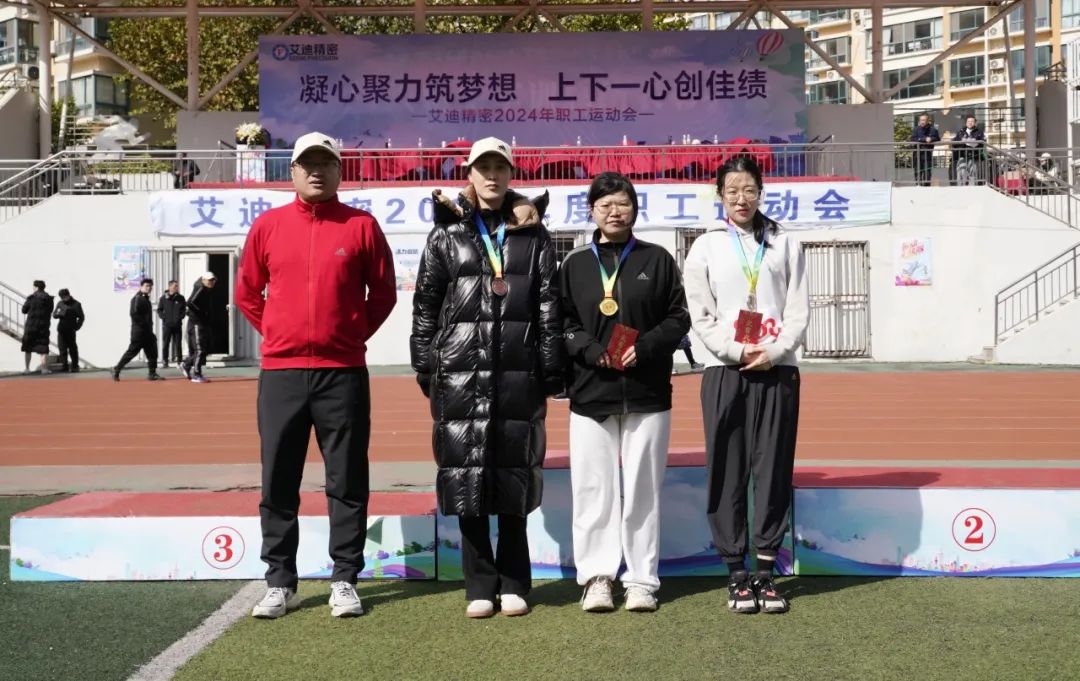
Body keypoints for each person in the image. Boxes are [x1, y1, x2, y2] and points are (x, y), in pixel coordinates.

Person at [236, 131, 397, 619]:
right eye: (307, 163)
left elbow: (383, 294)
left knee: (346, 479)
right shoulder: (267, 226)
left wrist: (348, 335)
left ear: (338, 170)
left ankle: (344, 578)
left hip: (342, 373)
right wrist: (279, 335)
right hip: (281, 374)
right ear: (292, 171)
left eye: (325, 162)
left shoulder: (362, 226)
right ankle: (279, 581)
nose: (316, 171)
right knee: (278, 479)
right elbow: (247, 293)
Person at [411, 137, 563, 619]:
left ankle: (515, 581)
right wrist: (426, 363)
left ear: (511, 173)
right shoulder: (445, 234)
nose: (492, 175)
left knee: (515, 473)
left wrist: (549, 366)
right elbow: (426, 304)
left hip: (520, 371)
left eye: (500, 167)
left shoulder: (534, 235)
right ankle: (479, 585)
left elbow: (548, 305)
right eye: (483, 168)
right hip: (459, 371)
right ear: (470, 174)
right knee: (466, 476)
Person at [683, 155, 809, 615]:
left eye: (749, 189)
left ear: (761, 192)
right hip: (725, 371)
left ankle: (766, 571)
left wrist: (774, 351)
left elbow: (798, 308)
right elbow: (701, 314)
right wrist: (736, 352)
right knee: (727, 468)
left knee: (773, 467)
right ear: (720, 194)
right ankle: (736, 572)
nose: (741, 198)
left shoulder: (784, 243)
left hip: (777, 369)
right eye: (732, 190)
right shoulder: (706, 247)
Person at [559, 172, 689, 613]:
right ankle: (597, 577)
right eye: (605, 205)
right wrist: (590, 349)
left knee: (642, 490)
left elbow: (678, 317)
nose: (615, 212)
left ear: (635, 208)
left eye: (623, 204)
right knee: (592, 489)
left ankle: (641, 580)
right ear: (592, 211)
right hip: (591, 393)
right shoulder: (574, 264)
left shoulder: (658, 258)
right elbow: (561, 323)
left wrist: (647, 347)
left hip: (647, 392)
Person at [113, 278, 165, 381]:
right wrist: (144, 325)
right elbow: (134, 314)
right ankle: (117, 369)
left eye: (150, 286)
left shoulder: (146, 299)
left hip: (147, 332)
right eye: (146, 286)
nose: (149, 288)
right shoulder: (137, 298)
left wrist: (149, 329)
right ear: (141, 287)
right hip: (139, 332)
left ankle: (152, 373)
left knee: (153, 351)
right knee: (132, 352)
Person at [180, 272, 216, 383]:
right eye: (209, 280)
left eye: (213, 280)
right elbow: (190, 302)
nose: (211, 282)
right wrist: (201, 313)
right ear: (203, 280)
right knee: (200, 350)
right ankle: (196, 374)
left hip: (203, 323)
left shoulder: (207, 290)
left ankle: (187, 365)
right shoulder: (200, 288)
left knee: (205, 349)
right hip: (196, 323)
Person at [21, 280, 53, 375]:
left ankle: (27, 368)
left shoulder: (31, 298)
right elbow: (50, 310)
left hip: (31, 327)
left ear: (36, 287)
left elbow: (24, 310)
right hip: (43, 326)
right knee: (43, 348)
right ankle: (44, 369)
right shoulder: (49, 298)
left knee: (28, 348)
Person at [52, 288, 85, 372]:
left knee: (72, 349)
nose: (64, 299)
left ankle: (75, 366)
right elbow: (54, 314)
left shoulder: (76, 304)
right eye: (62, 298)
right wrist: (59, 314)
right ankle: (64, 366)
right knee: (62, 348)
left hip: (71, 330)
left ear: (69, 295)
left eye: (65, 297)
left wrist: (77, 327)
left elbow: (81, 317)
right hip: (61, 329)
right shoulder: (60, 303)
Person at [157, 280, 186, 369]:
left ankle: (179, 361)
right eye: (174, 286)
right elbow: (159, 310)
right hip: (167, 325)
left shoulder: (181, 298)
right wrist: (164, 318)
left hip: (177, 325)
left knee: (178, 344)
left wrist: (180, 317)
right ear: (169, 287)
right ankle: (165, 361)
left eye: (177, 286)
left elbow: (184, 309)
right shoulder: (163, 298)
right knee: (166, 343)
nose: (176, 288)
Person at [951, 115, 985, 186]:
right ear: (966, 123)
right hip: (962, 155)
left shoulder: (979, 132)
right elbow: (954, 142)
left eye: (972, 121)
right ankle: (961, 188)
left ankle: (972, 188)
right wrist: (961, 141)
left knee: (973, 172)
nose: (970, 123)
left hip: (974, 156)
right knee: (961, 171)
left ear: (975, 123)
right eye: (968, 121)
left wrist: (973, 141)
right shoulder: (961, 131)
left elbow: (982, 142)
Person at [909, 114, 940, 187]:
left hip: (927, 154)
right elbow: (912, 139)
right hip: (917, 154)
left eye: (924, 120)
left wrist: (931, 139)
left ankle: (926, 187)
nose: (922, 122)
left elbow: (938, 138)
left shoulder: (933, 129)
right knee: (917, 171)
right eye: (921, 120)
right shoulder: (916, 129)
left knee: (927, 172)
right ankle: (918, 185)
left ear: (927, 121)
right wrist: (924, 139)